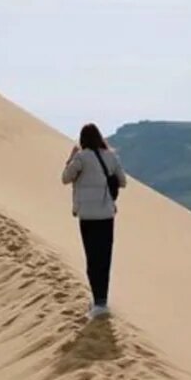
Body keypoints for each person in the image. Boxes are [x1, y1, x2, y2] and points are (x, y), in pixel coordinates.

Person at [62, 123, 128, 319]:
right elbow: (123, 181)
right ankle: (102, 302)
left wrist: (71, 158)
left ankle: (97, 301)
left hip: (88, 216)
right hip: (107, 215)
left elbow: (65, 178)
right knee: (104, 258)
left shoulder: (81, 158)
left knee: (92, 258)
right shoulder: (111, 156)